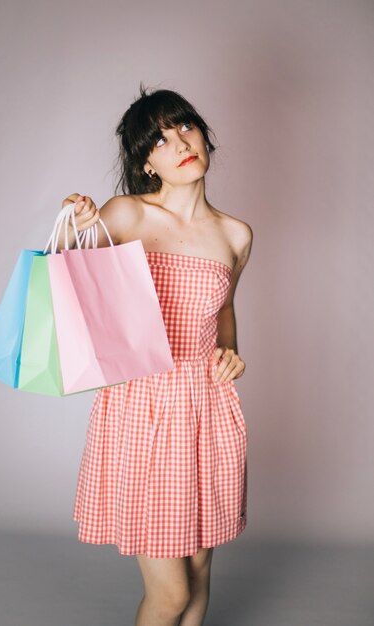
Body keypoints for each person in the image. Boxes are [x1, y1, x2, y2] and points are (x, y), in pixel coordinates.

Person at [57, 83, 253, 626]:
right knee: (168, 594)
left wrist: (231, 352)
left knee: (198, 576)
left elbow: (224, 311)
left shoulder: (236, 234)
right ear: (147, 162)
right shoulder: (126, 215)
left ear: (203, 135)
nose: (179, 142)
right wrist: (76, 231)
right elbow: (73, 291)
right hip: (142, 407)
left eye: (185, 126)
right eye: (160, 139)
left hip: (206, 407)